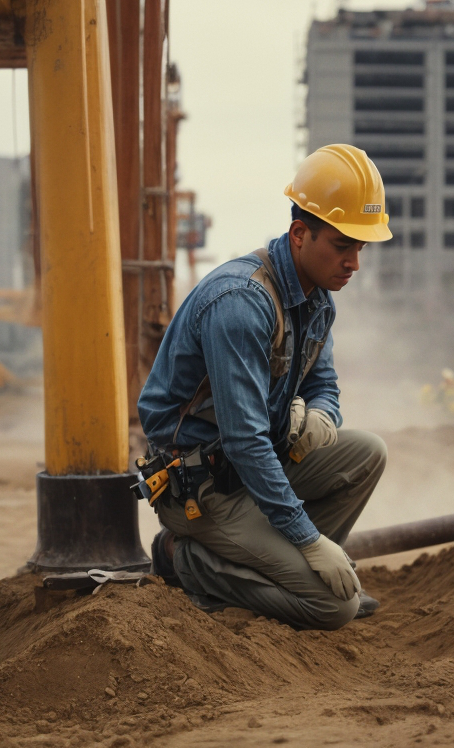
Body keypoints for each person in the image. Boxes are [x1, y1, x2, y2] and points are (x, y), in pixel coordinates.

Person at [137, 144, 390, 631]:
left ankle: (287, 574)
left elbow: (325, 384)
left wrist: (322, 415)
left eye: (360, 248)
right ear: (300, 233)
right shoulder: (241, 303)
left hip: (254, 471)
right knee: (334, 607)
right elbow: (245, 440)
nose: (354, 263)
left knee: (368, 453)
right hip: (206, 489)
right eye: (343, 245)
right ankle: (183, 559)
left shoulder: (317, 299)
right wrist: (310, 541)